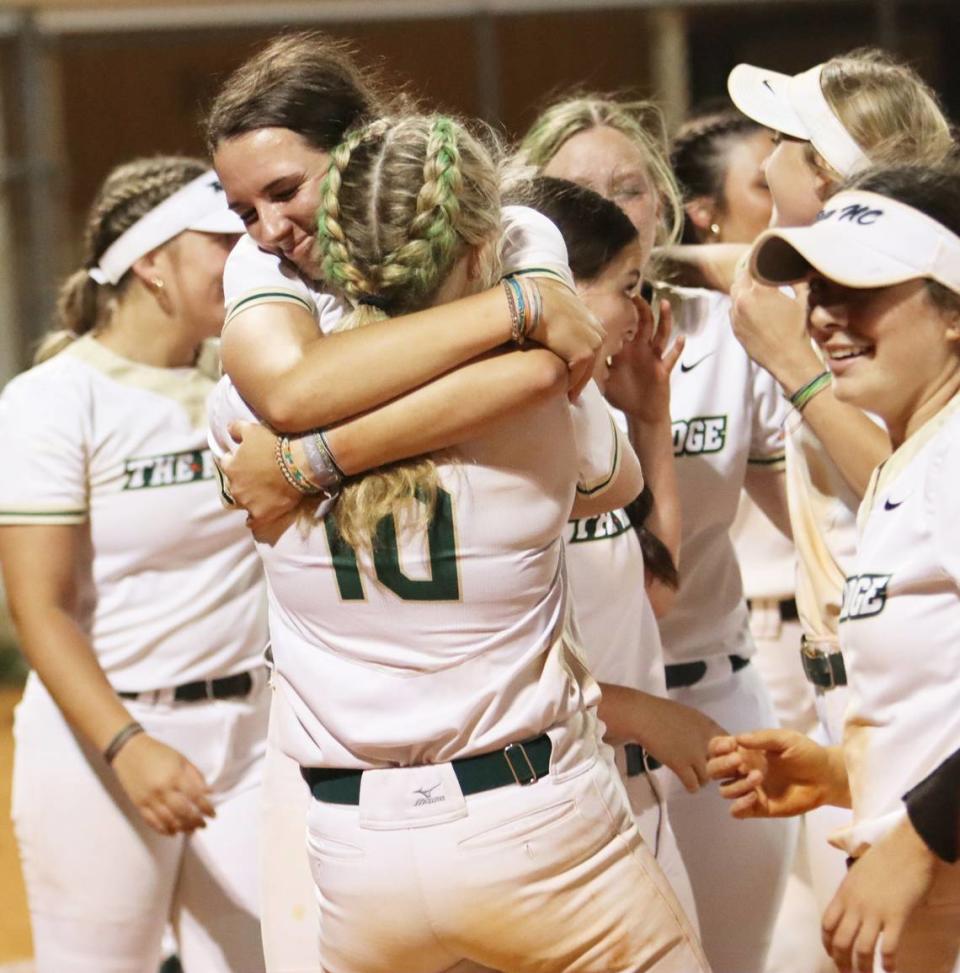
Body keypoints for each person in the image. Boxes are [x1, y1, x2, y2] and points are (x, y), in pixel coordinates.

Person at [213, 110, 709, 973]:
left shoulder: (244, 410)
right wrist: (524, 315)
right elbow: (618, 483)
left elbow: (304, 396)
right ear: (481, 243)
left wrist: (315, 459)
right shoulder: (542, 396)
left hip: (352, 850)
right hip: (534, 823)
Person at [517, 94, 795, 973]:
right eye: (582, 189)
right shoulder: (514, 370)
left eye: (630, 186)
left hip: (710, 690)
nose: (614, 206)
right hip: (571, 719)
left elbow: (810, 514)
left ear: (664, 202)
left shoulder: (726, 326)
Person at [0, 158, 269, 973]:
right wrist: (129, 744)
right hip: (105, 742)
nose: (249, 251)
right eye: (225, 237)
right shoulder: (54, 399)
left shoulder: (254, 381)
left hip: (256, 736)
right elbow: (37, 607)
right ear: (151, 261)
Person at [708, 163, 960, 973]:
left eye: (861, 287)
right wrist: (845, 772)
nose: (824, 316)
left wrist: (921, 839)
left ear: (953, 311)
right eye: (817, 290)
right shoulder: (913, 455)